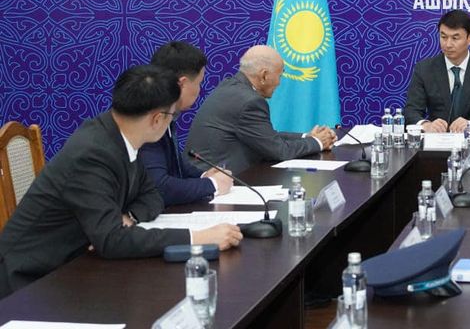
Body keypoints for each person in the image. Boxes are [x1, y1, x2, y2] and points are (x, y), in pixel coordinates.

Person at [0, 65, 243, 296]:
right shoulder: (92, 154)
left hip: (76, 265)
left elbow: (152, 195)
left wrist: (130, 216)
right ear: (157, 119)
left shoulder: (121, 136)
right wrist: (197, 238)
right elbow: (111, 240)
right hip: (30, 280)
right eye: (171, 116)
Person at [186, 45, 337, 173]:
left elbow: (266, 137)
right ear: (264, 76)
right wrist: (318, 142)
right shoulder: (249, 101)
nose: (279, 83)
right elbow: (279, 151)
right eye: (280, 76)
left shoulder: (232, 86)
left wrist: (306, 136)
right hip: (214, 182)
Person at [138, 41, 233, 206]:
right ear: (181, 84)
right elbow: (158, 187)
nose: (199, 90)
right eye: (199, 83)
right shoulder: (149, 118)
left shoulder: (166, 112)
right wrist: (213, 185)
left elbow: (175, 166)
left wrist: (204, 175)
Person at [403, 9, 470, 133]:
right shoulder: (424, 69)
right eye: (443, 37)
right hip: (437, 141)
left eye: (455, 38)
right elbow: (411, 111)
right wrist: (426, 125)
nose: (448, 44)